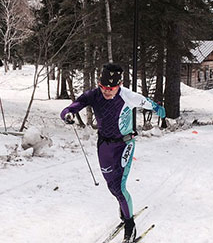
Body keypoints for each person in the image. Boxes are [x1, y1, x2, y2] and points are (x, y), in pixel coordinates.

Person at [60, 63, 166, 243]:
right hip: (104, 145)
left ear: (119, 85)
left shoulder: (128, 96)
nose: (107, 92)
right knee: (111, 186)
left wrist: (159, 110)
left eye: (111, 88)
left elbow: (149, 103)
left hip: (125, 144)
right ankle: (123, 205)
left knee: (120, 186)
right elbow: (73, 106)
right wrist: (67, 114)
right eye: (103, 87)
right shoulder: (93, 95)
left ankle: (130, 225)